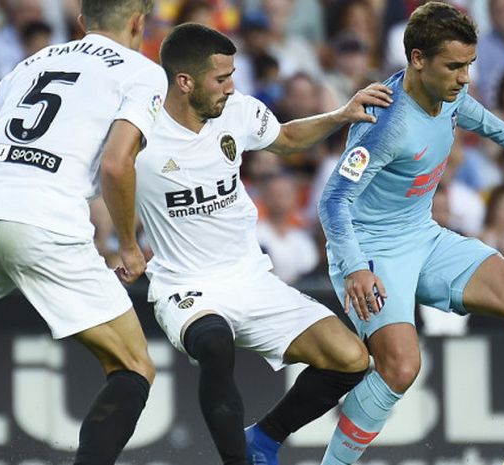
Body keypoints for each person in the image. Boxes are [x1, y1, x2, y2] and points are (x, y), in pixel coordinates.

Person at [316, 4, 504, 463]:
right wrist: (356, 267)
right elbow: (332, 201)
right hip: (370, 249)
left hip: (421, 234)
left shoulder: (446, 90)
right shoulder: (384, 123)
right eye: (455, 66)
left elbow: (468, 108)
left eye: (469, 66)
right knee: (400, 367)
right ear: (417, 59)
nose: (464, 78)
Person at [134, 23, 391, 465]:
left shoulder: (236, 112)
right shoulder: (140, 132)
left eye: (233, 75)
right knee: (215, 344)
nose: (231, 87)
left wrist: (339, 115)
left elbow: (287, 139)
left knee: (350, 358)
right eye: (221, 79)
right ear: (184, 81)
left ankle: (265, 439)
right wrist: (122, 240)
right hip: (185, 285)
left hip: (251, 277)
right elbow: (109, 176)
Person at [0, 1, 168, 464]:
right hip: (46, 220)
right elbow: (117, 164)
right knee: (133, 365)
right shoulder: (142, 72)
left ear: (82, 24)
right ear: (139, 21)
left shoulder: (31, 63)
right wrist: (130, 247)